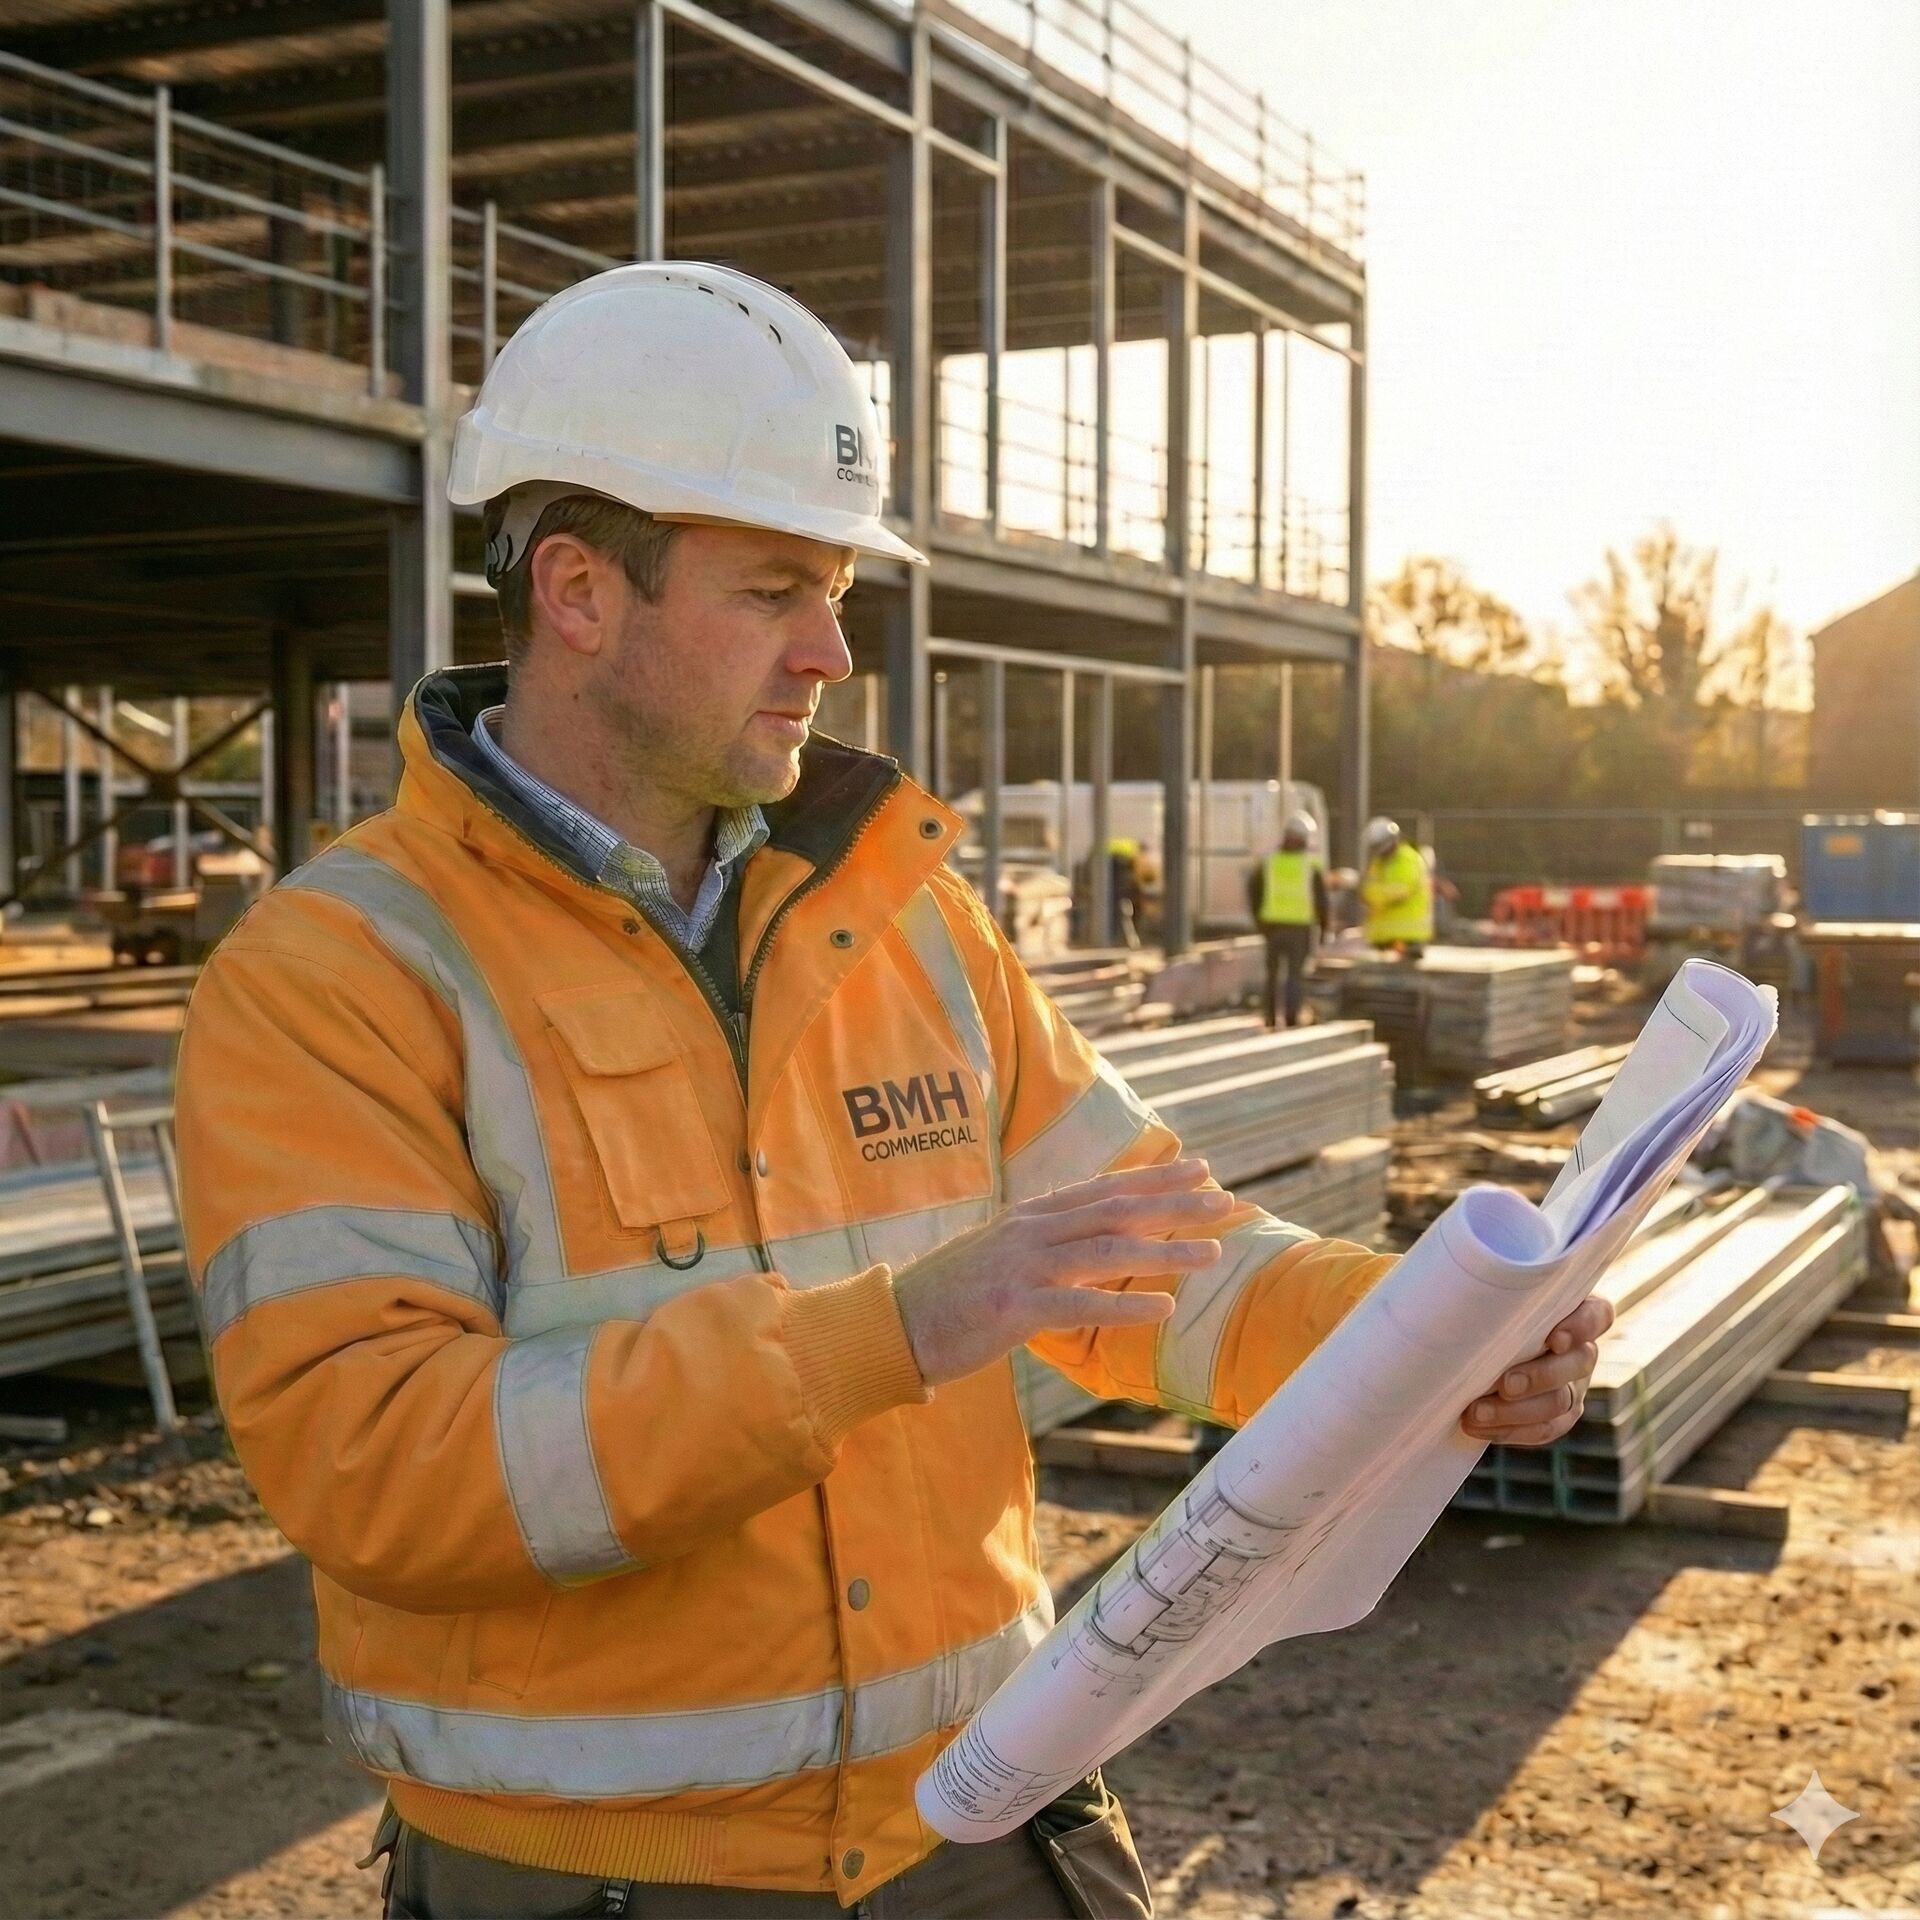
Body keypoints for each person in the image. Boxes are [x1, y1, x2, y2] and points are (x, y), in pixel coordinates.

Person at [175, 264, 1609, 1919]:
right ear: (578, 590)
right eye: (778, 588)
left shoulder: (911, 919)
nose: (834, 652)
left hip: (975, 1827)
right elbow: (383, 1471)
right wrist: (892, 1331)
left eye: (838, 589)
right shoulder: (341, 973)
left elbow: (1151, 1250)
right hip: (609, 1886)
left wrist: (1441, 1333)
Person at [1248, 812, 1329, 1028]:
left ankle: (1270, 1017)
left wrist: (1259, 921)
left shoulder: (1269, 862)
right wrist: (1323, 930)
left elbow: (1254, 893)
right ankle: (1292, 1018)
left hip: (1272, 927)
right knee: (1295, 975)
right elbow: (1322, 902)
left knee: (1272, 975)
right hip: (1299, 927)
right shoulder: (1310, 866)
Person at [1360, 814, 1434, 958]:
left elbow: (1400, 891)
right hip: (1383, 937)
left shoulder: (1408, 859)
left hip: (1408, 937)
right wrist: (1373, 893)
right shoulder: (1379, 862)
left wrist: (1375, 894)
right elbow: (1366, 890)